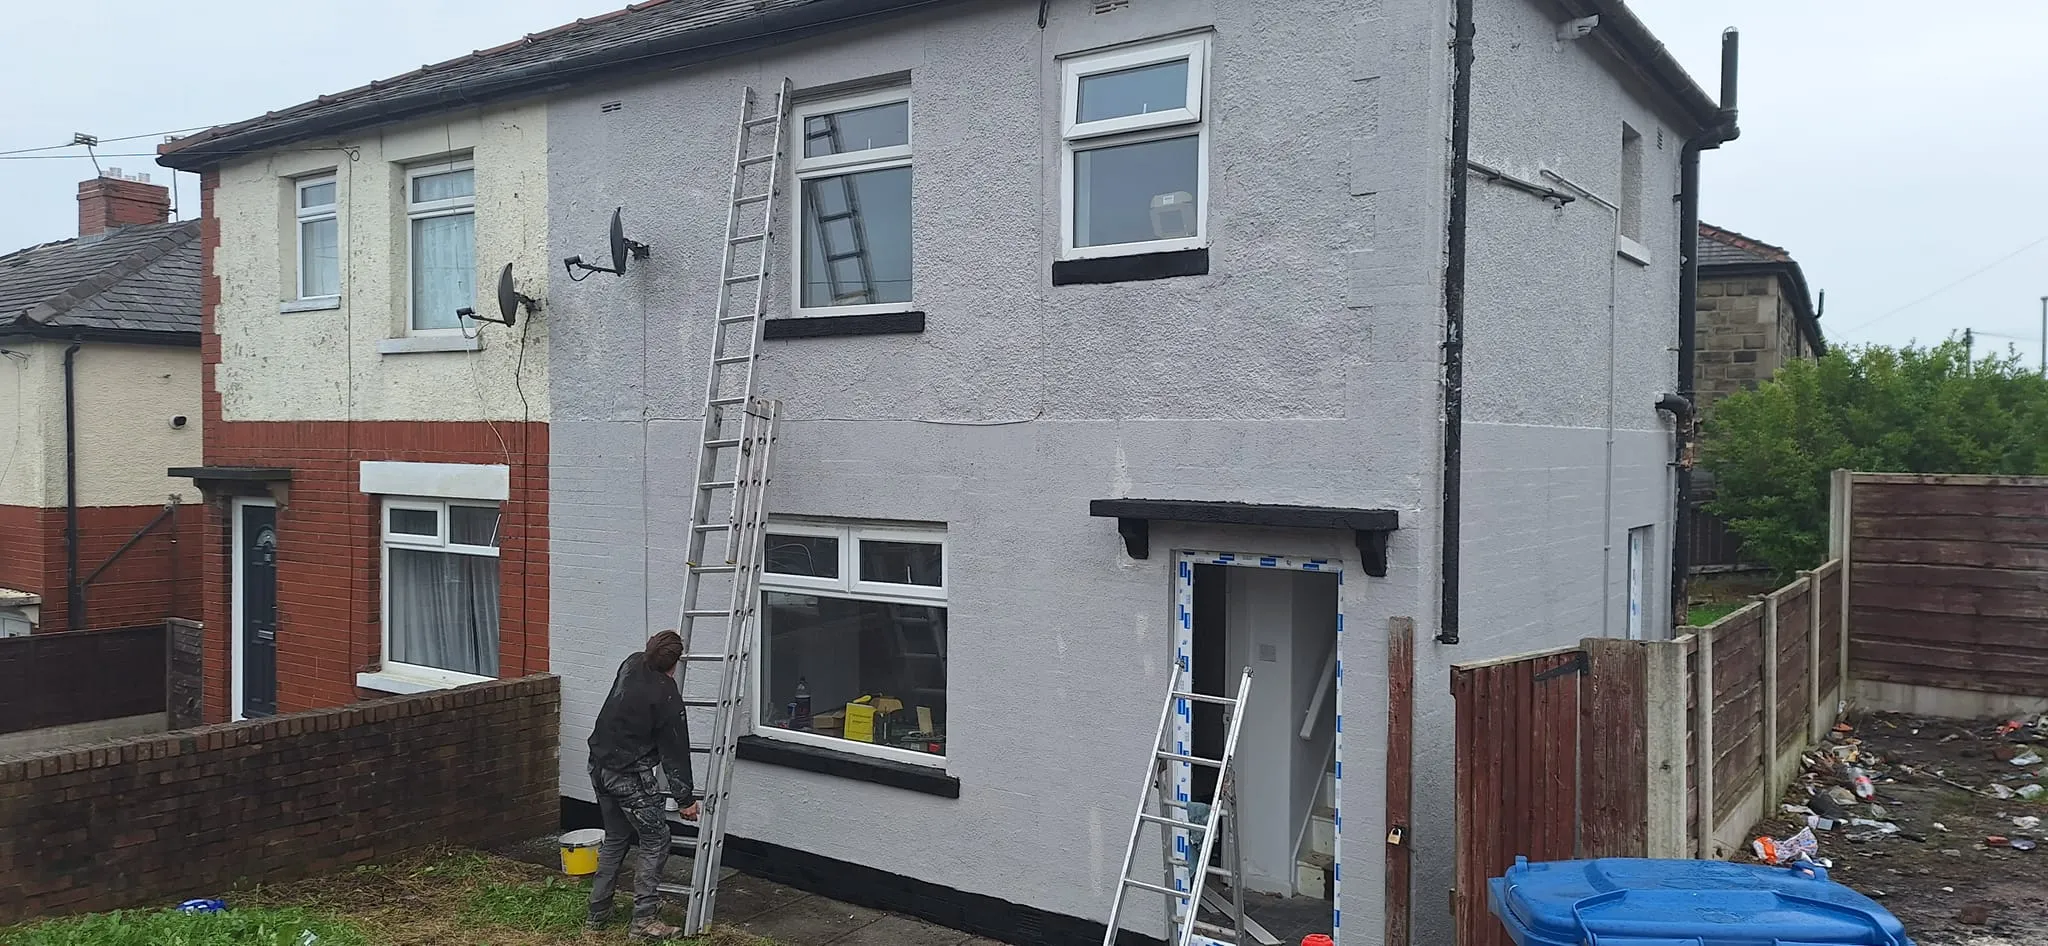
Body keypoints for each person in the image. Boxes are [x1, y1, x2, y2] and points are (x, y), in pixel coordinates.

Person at [586, 630, 699, 940]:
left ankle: (597, 913)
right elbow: (674, 752)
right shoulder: (667, 695)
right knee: (656, 840)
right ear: (676, 662)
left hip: (598, 765)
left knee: (616, 837)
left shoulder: (631, 664)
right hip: (628, 775)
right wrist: (685, 799)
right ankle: (644, 921)